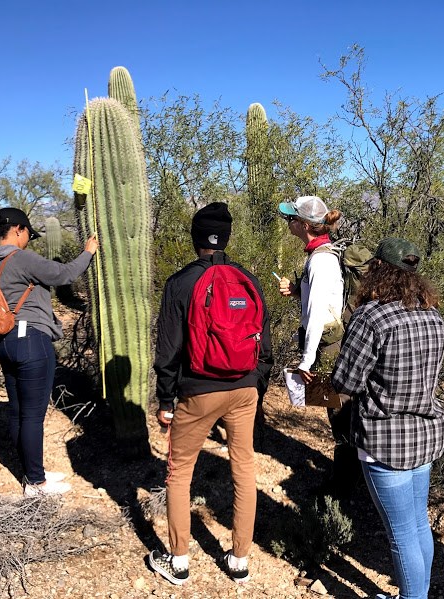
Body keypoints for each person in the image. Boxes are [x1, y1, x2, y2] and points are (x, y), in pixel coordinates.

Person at [149, 202, 273, 586]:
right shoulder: (248, 279)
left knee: (179, 472)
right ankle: (239, 561)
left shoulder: (180, 282)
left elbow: (168, 351)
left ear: (194, 238)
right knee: (244, 468)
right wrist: (256, 386)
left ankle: (179, 561)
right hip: (244, 388)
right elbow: (264, 347)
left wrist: (166, 400)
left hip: (198, 391)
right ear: (228, 238)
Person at [332, 238, 444, 599]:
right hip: (425, 435)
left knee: (400, 534)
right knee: (417, 524)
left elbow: (346, 382)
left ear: (378, 268)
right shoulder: (433, 316)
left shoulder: (372, 316)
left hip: (386, 440)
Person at [0, 204, 98, 496]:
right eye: (27, 234)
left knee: (19, 413)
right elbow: (65, 274)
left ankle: (33, 474)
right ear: (17, 230)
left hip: (4, 342)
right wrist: (89, 252)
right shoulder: (21, 259)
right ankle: (36, 483)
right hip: (31, 340)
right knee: (32, 416)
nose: (28, 240)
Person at [276, 195, 360, 497]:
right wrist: (299, 290)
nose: (288, 223)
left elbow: (316, 317)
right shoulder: (321, 253)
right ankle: (349, 476)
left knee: (338, 410)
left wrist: (306, 361)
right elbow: (320, 300)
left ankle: (345, 484)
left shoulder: (321, 260)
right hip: (331, 342)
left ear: (303, 224)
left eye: (291, 219)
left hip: (327, 345)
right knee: (338, 408)